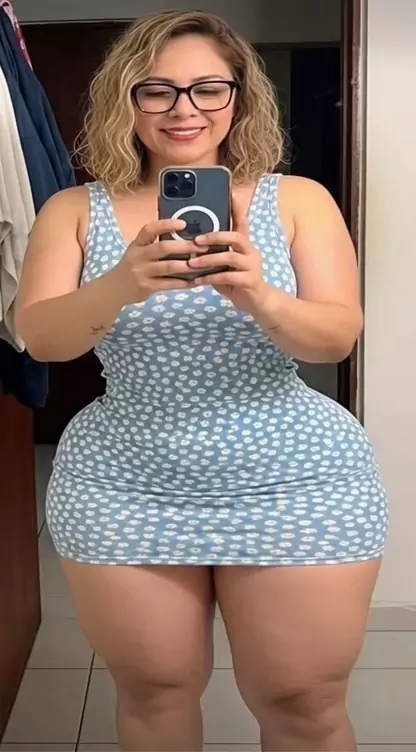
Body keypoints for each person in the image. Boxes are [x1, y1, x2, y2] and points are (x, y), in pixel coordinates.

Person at [15, 9, 388, 752]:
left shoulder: (299, 200)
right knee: (153, 693)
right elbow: (41, 339)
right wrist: (122, 283)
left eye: (208, 88)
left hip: (296, 479)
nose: (183, 109)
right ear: (126, 98)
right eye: (157, 89)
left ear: (239, 97)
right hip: (123, 482)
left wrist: (259, 297)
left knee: (302, 701)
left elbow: (337, 334)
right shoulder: (73, 210)